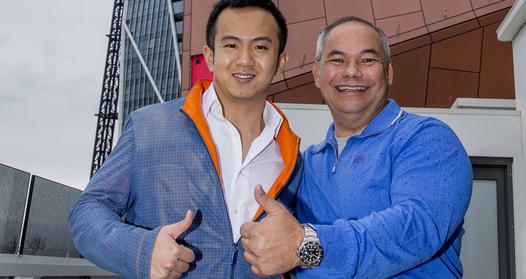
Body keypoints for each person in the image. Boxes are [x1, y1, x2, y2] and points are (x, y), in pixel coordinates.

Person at [68, 0, 302, 278]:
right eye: (230, 45)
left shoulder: (293, 157)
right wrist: (140, 251)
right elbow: (87, 210)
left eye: (260, 46)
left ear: (280, 61)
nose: (245, 59)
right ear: (210, 56)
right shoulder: (149, 126)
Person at [240, 16, 472, 278]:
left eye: (368, 60)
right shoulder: (306, 164)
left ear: (389, 72)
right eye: (337, 60)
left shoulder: (427, 139)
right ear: (317, 74)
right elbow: (259, 237)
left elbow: (414, 230)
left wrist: (306, 244)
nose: (351, 71)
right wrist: (184, 252)